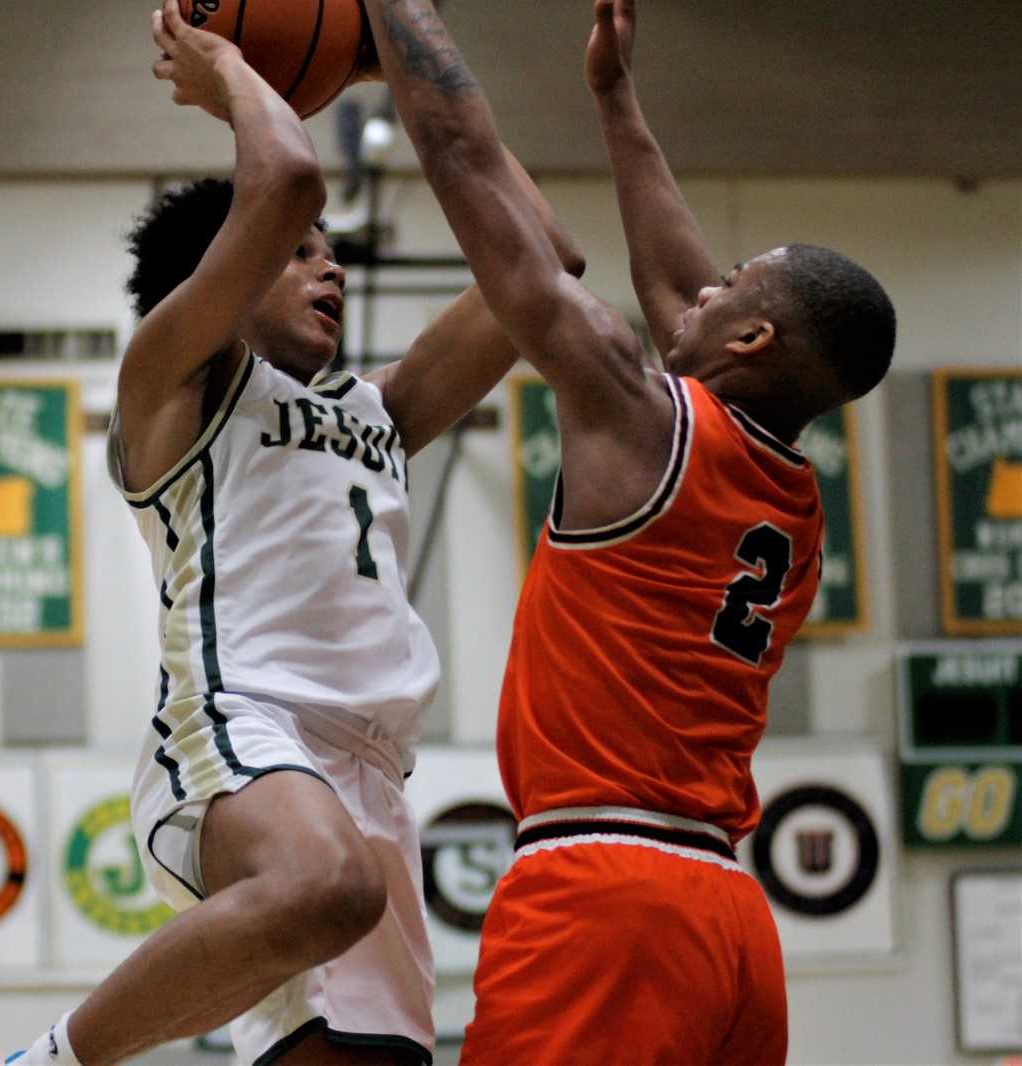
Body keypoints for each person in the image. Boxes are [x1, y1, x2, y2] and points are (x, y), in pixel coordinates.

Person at [7, 3, 583, 1065]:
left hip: (372, 774)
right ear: (219, 278)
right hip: (243, 729)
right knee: (325, 887)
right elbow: (285, 181)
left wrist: (406, 75)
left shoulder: (380, 411)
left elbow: (542, 255)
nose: (331, 269)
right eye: (300, 258)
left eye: (331, 256)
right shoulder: (173, 381)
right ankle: (45, 1060)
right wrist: (224, 66)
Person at [359, 0, 896, 1062]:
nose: (700, 284)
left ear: (749, 334)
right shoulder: (790, 505)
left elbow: (462, 152)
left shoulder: (641, 418)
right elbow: (676, 294)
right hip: (727, 924)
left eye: (731, 281)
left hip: (601, 897)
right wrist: (616, 103)